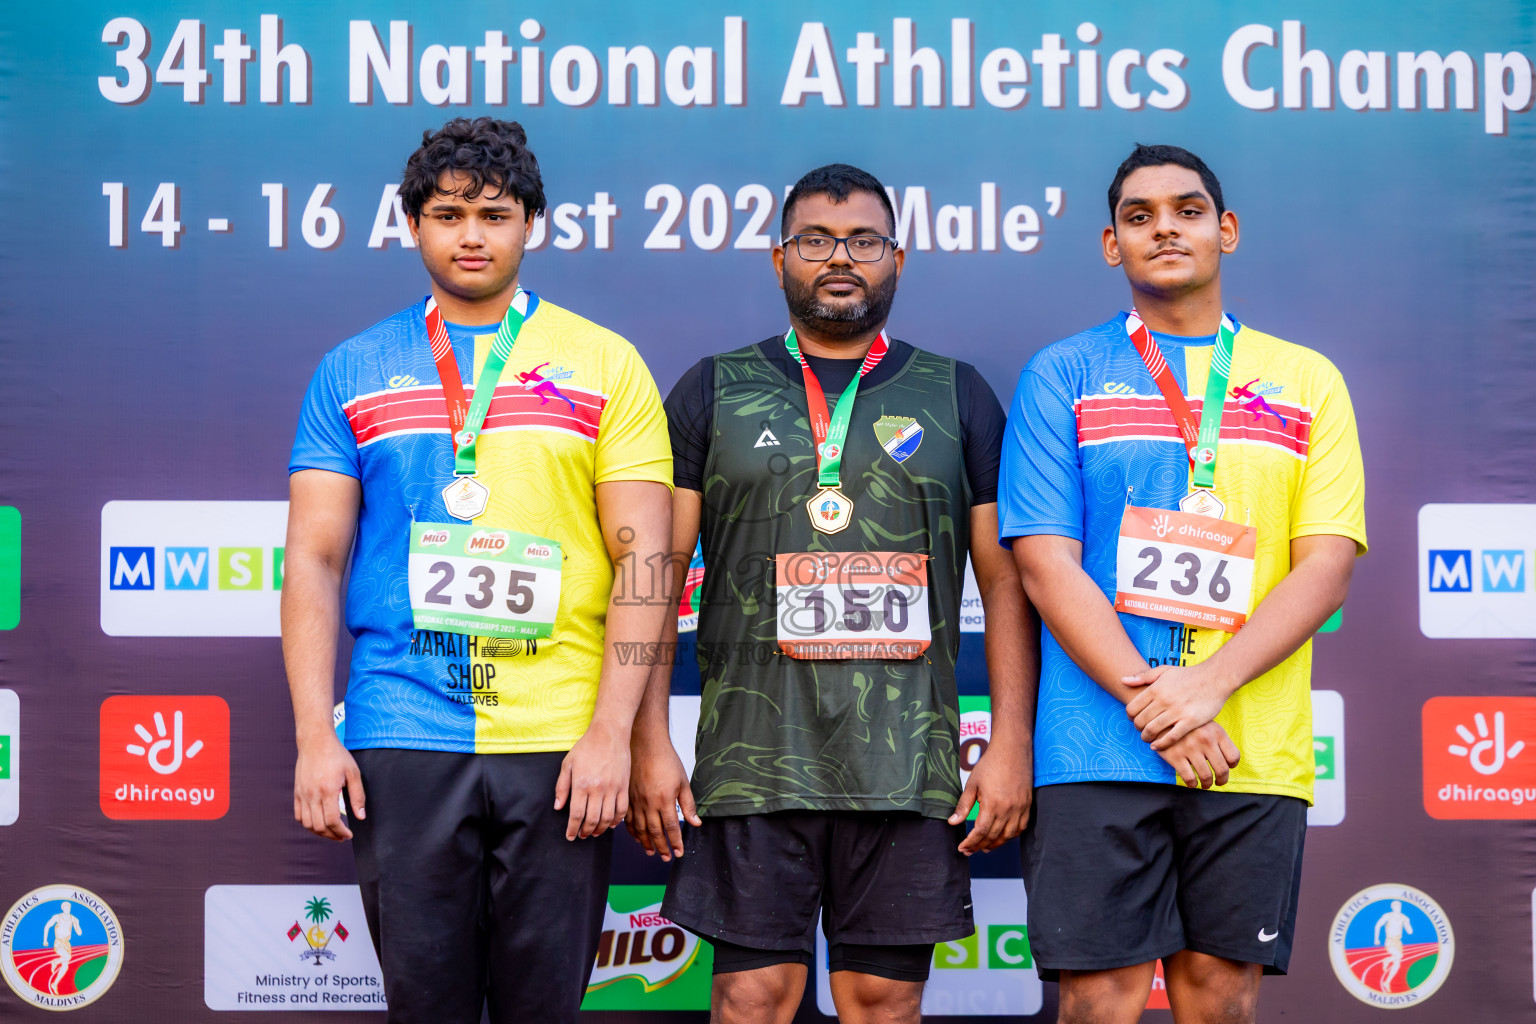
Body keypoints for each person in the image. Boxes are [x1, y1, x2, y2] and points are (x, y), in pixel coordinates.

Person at [281, 116, 673, 1024]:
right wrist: (312, 734)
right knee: (427, 1008)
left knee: (545, 1009)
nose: (470, 234)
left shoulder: (603, 362)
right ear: (412, 224)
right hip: (404, 728)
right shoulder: (354, 369)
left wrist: (612, 731)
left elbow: (643, 560)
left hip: (559, 739)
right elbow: (314, 556)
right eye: (448, 213)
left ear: (531, 222)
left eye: (493, 214)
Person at [627, 164, 1038, 1024]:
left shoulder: (958, 394)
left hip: (904, 764)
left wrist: (1008, 743)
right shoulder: (713, 388)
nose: (839, 257)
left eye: (864, 240)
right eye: (815, 240)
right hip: (749, 758)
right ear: (779, 257)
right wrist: (645, 740)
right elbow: (652, 576)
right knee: (751, 998)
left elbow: (1005, 584)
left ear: (899, 258)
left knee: (883, 1000)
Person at [1000, 143, 1366, 1024]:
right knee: (1100, 1000)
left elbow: (1325, 568)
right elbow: (1046, 565)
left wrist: (1208, 688)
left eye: (1188, 209)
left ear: (1226, 230)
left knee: (1219, 997)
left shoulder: (1306, 379)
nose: (1165, 226)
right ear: (1110, 245)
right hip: (1095, 742)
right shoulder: (1064, 373)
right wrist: (1156, 702)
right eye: (1139, 215)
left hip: (1250, 742)